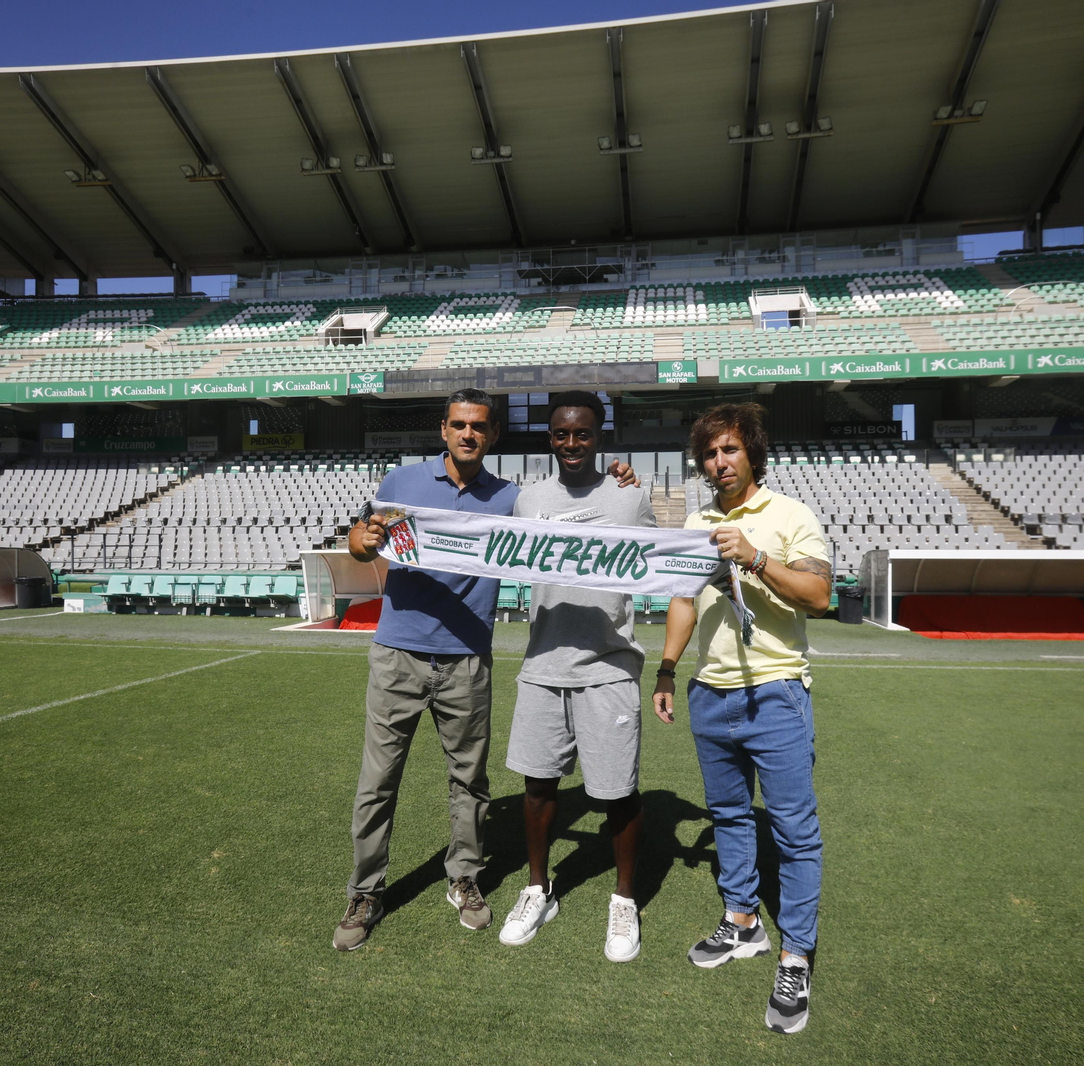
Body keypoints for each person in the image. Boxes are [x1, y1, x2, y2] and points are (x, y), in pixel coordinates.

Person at [334, 389, 634, 952]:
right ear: (442, 429)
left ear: (493, 435)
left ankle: (464, 878)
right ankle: (365, 890)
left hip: (469, 658)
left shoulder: (512, 500)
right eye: (458, 425)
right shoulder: (400, 483)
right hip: (398, 653)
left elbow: (567, 517)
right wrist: (362, 541)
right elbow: (361, 540)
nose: (468, 434)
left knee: (469, 780)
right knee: (378, 781)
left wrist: (620, 476)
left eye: (479, 427)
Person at [650, 403, 832, 1034]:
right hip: (711, 692)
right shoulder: (697, 521)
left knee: (792, 831)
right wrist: (668, 669)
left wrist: (755, 558)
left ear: (753, 451)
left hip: (776, 692)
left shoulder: (789, 516)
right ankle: (744, 920)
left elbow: (819, 595)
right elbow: (682, 600)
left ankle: (796, 954)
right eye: (708, 453)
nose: (717, 462)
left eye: (729, 450)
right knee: (728, 815)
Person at [497, 391, 655, 962]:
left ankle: (624, 901)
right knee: (538, 784)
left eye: (582, 434)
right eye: (561, 434)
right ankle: (539, 888)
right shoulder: (527, 499)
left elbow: (660, 559)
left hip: (610, 667)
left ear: (599, 436)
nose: (571, 444)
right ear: (550, 437)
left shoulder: (630, 495)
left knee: (616, 791)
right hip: (542, 664)